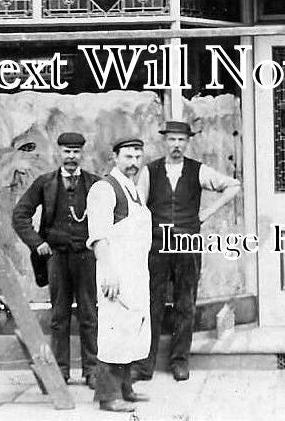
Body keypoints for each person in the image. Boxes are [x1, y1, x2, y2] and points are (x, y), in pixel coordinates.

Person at [133, 119, 241, 382]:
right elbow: (137, 205)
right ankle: (145, 365)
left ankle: (180, 362)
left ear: (188, 142)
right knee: (152, 304)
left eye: (181, 140)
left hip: (187, 245)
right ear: (164, 141)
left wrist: (207, 213)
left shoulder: (197, 170)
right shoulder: (150, 171)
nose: (176, 145)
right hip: (157, 245)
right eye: (172, 139)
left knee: (185, 304)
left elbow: (234, 186)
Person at [11, 131, 102, 388]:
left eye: (75, 152)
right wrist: (37, 243)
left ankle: (92, 370)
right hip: (57, 258)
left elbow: (112, 216)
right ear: (58, 153)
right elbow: (20, 215)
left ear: (82, 154)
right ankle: (61, 370)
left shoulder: (96, 184)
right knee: (59, 316)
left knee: (89, 314)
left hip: (86, 258)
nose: (71, 157)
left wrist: (100, 244)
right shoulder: (45, 183)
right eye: (66, 151)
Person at [87, 137, 152, 413]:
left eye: (138, 157)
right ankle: (108, 396)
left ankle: (126, 388)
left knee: (131, 328)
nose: (134, 163)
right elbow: (98, 237)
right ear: (115, 158)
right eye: (128, 157)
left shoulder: (133, 190)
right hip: (115, 274)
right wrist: (109, 272)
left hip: (135, 273)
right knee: (113, 332)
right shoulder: (105, 189)